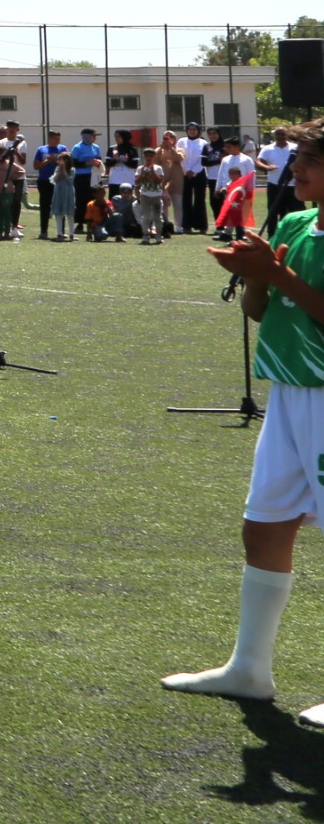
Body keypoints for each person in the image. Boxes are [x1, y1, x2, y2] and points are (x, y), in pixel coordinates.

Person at [163, 120, 324, 714]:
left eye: (310, 160)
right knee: (264, 525)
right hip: (287, 394)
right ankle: (249, 668)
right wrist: (252, 278)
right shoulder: (297, 223)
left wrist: (276, 274)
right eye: (297, 158)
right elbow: (266, 310)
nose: (295, 169)